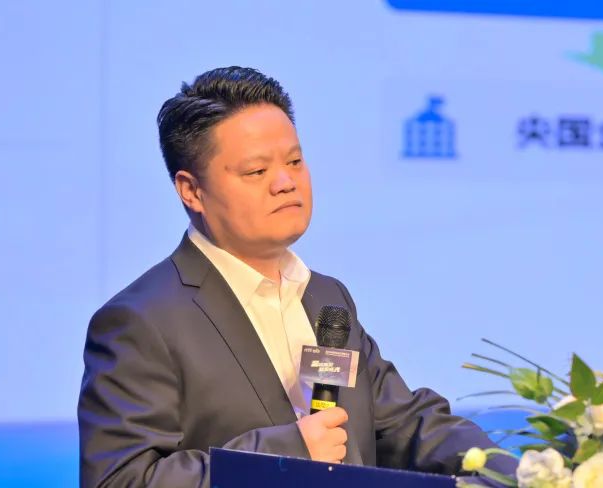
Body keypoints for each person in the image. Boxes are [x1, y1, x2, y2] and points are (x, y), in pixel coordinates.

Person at [78, 66, 512, 487]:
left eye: (295, 161)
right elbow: (122, 479)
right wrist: (288, 454)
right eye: (256, 171)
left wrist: (519, 471)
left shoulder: (326, 296)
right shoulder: (142, 321)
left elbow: (402, 422)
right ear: (191, 190)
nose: (285, 182)